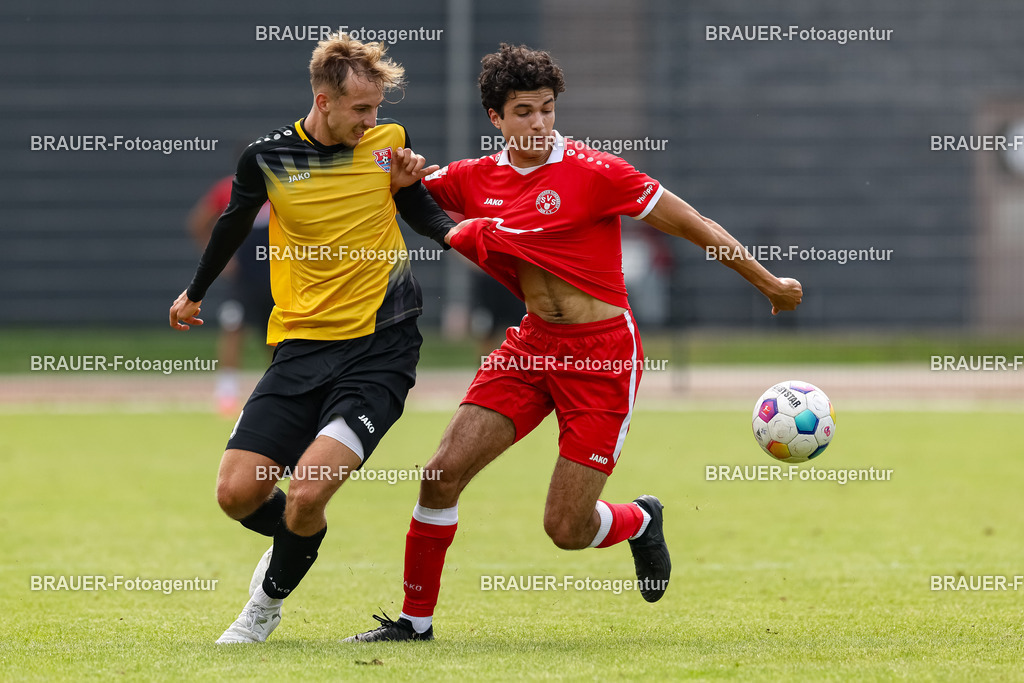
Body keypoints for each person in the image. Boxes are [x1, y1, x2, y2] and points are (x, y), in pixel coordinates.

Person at [345, 43, 803, 642]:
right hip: (531, 347)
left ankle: (639, 521)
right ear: (496, 118)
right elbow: (402, 188)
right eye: (524, 111)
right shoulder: (473, 178)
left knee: (564, 527)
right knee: (439, 475)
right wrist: (371, 157)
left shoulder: (596, 173)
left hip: (602, 357)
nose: (539, 123)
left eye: (548, 110)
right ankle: (414, 624)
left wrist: (769, 283)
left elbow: (696, 227)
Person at [168, 33, 480, 644]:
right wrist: (196, 292)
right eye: (361, 109)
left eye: (378, 109)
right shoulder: (268, 158)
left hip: (381, 349)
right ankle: (301, 537)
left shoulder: (390, 144)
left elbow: (417, 208)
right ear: (324, 100)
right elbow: (232, 224)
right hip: (300, 350)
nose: (373, 122)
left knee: (307, 492)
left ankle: (261, 608)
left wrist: (462, 237)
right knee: (236, 493)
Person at [185, 170, 273, 416]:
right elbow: (197, 223)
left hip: (277, 278)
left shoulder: (284, 189)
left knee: (277, 338)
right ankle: (226, 394)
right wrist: (220, 260)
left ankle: (276, 393)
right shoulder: (228, 189)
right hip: (243, 280)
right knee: (233, 328)